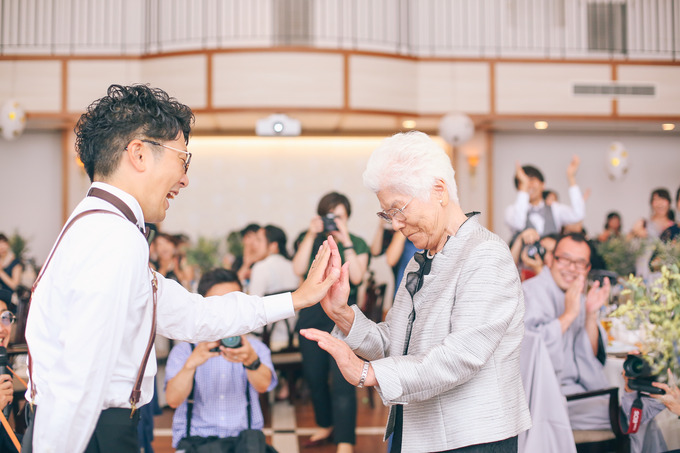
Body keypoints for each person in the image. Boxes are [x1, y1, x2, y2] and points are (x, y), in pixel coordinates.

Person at [21, 84, 339, 453]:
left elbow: (195, 315)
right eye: (182, 159)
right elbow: (76, 377)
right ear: (138, 154)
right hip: (89, 434)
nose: (185, 178)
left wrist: (296, 299)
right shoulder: (113, 237)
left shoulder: (104, 228)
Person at [301, 131, 531, 453]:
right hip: (417, 431)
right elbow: (396, 343)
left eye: (398, 209)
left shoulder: (485, 254)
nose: (395, 224)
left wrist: (368, 373)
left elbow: (460, 356)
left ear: (439, 191)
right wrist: (341, 311)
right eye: (387, 214)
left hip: (471, 437)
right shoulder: (419, 261)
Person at [522, 233, 667, 452]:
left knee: (640, 414)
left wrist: (590, 314)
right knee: (636, 417)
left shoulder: (577, 295)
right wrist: (569, 315)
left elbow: (588, 356)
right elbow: (529, 355)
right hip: (547, 398)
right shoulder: (529, 292)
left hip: (578, 392)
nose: (572, 268)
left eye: (580, 263)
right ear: (551, 259)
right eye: (566, 260)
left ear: (588, 268)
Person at [292, 192, 370, 453]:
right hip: (311, 315)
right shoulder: (313, 240)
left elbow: (357, 278)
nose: (334, 221)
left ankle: (345, 441)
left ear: (347, 218)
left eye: (340, 217)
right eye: (330, 216)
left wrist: (345, 238)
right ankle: (325, 424)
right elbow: (297, 268)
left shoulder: (356, 242)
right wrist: (310, 235)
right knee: (314, 377)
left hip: (342, 319)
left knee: (342, 380)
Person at [164, 268, 277, 448]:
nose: (227, 313)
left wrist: (251, 361)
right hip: (197, 441)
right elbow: (173, 400)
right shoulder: (184, 350)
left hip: (243, 442)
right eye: (219, 304)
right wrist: (191, 364)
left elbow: (264, 386)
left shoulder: (254, 347)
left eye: (234, 304)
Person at [249, 224, 301, 351]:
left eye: (259, 240)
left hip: (268, 339)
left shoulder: (260, 268)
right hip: (294, 336)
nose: (254, 245)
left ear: (273, 246)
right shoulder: (294, 267)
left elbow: (252, 308)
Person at [505, 157, 585, 238]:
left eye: (532, 180)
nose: (528, 185)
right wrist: (524, 189)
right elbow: (518, 224)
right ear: (519, 189)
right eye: (523, 182)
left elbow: (577, 215)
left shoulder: (554, 208)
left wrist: (571, 177)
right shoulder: (511, 210)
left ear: (543, 185)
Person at [0, 234, 24, 301]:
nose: (1, 247)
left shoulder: (15, 263)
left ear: (8, 244)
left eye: (3, 243)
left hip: (11, 298)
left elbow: (15, 286)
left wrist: (1, 272)